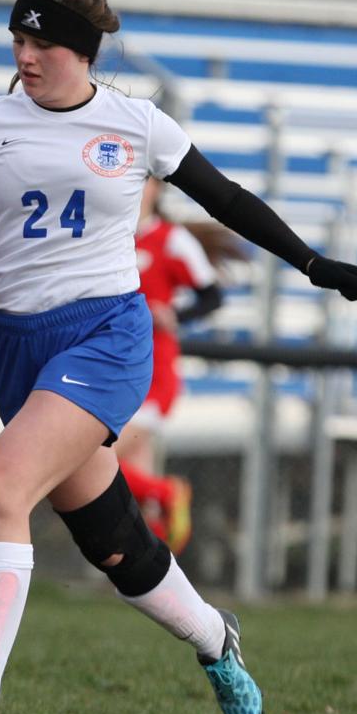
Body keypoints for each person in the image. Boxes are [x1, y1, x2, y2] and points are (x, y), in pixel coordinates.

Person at [0, 0, 357, 714]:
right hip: (13, 345)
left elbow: (227, 200)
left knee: (1, 488)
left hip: (106, 338)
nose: (25, 55)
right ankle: (215, 639)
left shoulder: (138, 125)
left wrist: (312, 261)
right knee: (111, 538)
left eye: (41, 42)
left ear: (82, 50)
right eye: (18, 40)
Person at [115, 177, 245, 554]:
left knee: (90, 457)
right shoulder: (108, 235)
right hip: (109, 370)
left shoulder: (170, 240)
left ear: (155, 186)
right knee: (136, 491)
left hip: (150, 373)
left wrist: (174, 314)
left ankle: (168, 492)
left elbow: (211, 296)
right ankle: (146, 569)